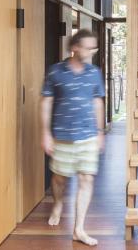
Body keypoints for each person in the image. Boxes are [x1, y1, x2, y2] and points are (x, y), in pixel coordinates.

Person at [40, 28, 106, 247]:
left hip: (87, 134)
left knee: (87, 179)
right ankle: (57, 204)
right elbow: (46, 102)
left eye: (93, 48)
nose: (91, 52)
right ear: (75, 47)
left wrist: (100, 132)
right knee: (59, 178)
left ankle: (79, 229)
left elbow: (98, 101)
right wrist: (46, 133)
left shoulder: (94, 72)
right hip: (62, 136)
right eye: (88, 48)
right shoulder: (55, 72)